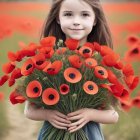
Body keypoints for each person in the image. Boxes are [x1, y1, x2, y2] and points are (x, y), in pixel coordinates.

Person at [24, 0, 119, 139]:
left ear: (94, 20)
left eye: (85, 14)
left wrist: (90, 114)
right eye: (68, 14)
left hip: (88, 134)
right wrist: (48, 115)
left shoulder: (101, 63)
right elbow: (29, 110)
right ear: (57, 18)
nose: (76, 21)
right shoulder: (44, 60)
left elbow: (113, 115)